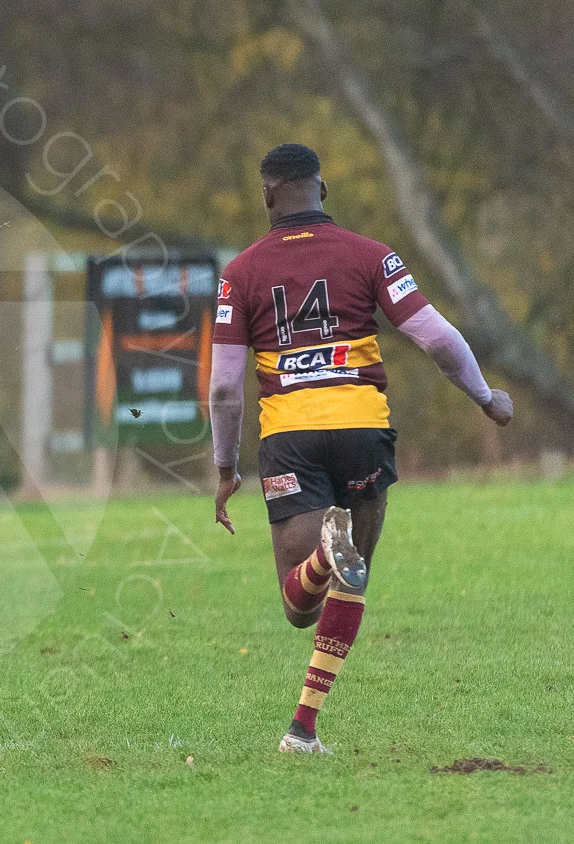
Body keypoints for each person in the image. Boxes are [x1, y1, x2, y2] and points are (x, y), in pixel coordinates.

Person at [209, 144, 514, 754]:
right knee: (352, 582)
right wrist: (484, 396)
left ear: (267, 195)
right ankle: (303, 728)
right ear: (324, 190)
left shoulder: (238, 275)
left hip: (289, 437)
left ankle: (323, 556)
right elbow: (436, 337)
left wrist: (225, 468)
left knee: (300, 605)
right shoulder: (372, 255)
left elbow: (223, 387)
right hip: (362, 428)